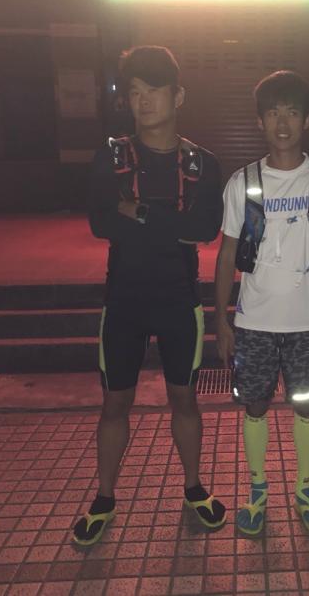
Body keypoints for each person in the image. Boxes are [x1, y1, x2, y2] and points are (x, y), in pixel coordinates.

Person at [75, 45, 227, 546]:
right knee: (114, 402)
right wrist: (169, 221)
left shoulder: (202, 163)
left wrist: (137, 211)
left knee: (184, 398)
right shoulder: (113, 156)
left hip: (180, 300)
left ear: (178, 95)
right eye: (134, 92)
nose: (142, 101)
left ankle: (194, 487)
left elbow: (204, 228)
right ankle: (104, 497)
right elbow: (100, 222)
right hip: (123, 300)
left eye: (153, 90)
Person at [214, 70, 309, 535]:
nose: (283, 122)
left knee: (307, 406)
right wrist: (221, 320)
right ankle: (257, 489)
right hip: (253, 322)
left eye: (292, 112)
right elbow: (227, 253)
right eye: (273, 113)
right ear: (260, 121)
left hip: (308, 322)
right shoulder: (243, 182)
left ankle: (304, 489)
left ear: (307, 119)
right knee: (254, 405)